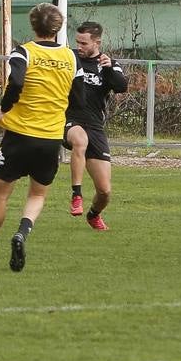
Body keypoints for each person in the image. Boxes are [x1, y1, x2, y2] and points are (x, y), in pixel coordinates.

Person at [0, 3, 77, 272]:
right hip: (50, 138)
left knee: (1, 193)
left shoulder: (24, 53)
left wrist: (3, 110)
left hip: (19, 135)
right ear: (58, 27)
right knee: (38, 194)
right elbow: (78, 98)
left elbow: (16, 82)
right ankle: (22, 232)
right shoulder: (71, 58)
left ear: (32, 25)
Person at [63, 21, 128, 230]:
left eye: (84, 43)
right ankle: (76, 195)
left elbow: (121, 86)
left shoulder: (108, 63)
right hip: (70, 119)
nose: (79, 46)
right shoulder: (70, 57)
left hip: (95, 126)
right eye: (77, 42)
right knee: (79, 140)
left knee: (104, 192)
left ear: (97, 42)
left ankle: (93, 214)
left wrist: (108, 69)